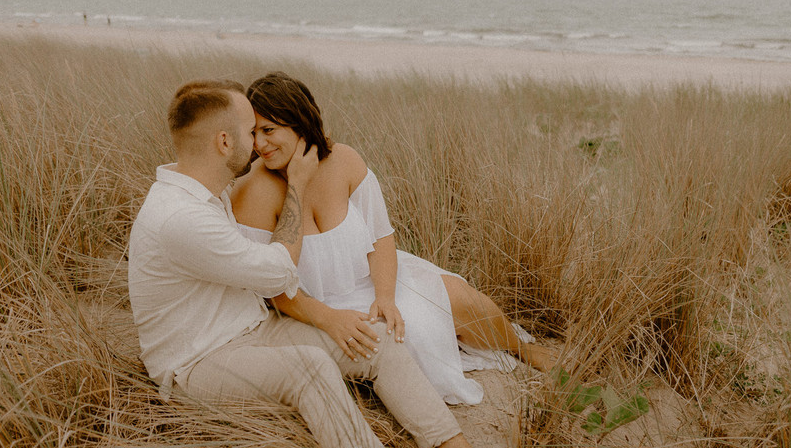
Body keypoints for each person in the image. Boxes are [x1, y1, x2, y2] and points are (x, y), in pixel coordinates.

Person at [127, 79, 569, 448]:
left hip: (246, 330)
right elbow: (277, 274)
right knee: (310, 367)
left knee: (372, 339)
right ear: (225, 143)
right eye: (253, 131)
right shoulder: (180, 216)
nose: (259, 143)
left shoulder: (203, 195)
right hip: (196, 364)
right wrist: (294, 187)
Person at [231, 72, 559, 406]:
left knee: (457, 298)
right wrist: (330, 319)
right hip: (318, 308)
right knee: (410, 337)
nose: (259, 144)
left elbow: (382, 236)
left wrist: (386, 296)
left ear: (300, 124)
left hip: (376, 279)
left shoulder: (344, 159)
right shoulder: (254, 191)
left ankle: (521, 348)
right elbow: (272, 289)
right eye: (254, 133)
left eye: (269, 130)